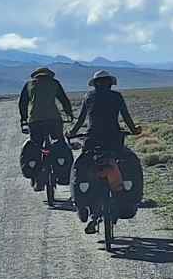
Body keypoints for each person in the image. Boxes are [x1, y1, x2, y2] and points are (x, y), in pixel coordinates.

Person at [68, 70, 141, 232]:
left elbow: (81, 119)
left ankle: (82, 201)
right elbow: (126, 117)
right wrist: (134, 130)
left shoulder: (89, 97)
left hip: (92, 140)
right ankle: (125, 194)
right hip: (114, 140)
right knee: (127, 161)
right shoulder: (117, 97)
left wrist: (72, 133)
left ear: (95, 84)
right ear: (110, 83)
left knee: (81, 164)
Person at [18, 67, 73, 189]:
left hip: (35, 121)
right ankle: (62, 174)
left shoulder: (29, 85)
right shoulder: (55, 83)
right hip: (54, 120)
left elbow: (23, 103)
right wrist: (69, 114)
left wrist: (23, 119)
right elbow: (63, 100)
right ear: (49, 76)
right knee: (59, 143)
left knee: (35, 145)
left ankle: (35, 175)